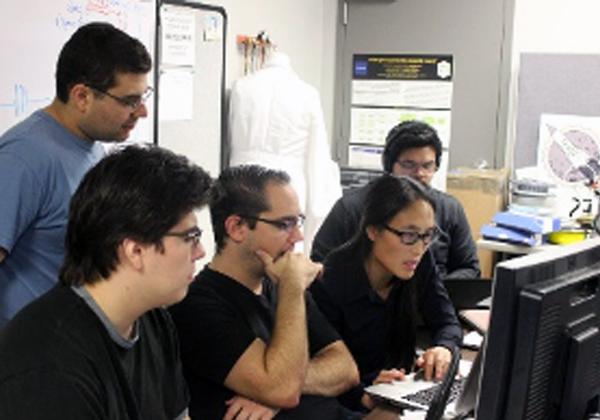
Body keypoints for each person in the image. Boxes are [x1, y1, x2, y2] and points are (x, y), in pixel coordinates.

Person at [0, 146, 212, 419]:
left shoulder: (153, 320)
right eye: (190, 237)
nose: (200, 252)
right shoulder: (49, 365)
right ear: (135, 251)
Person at [169, 164, 360, 419]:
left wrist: (276, 392)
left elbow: (345, 369)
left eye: (298, 222)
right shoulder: (197, 304)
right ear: (236, 227)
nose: (298, 236)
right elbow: (283, 389)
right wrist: (280, 388)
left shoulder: (280, 281)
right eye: (284, 224)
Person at [0, 22, 152, 327]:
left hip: (72, 343)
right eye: (129, 101)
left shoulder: (92, 145)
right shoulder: (22, 157)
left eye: (143, 96)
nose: (142, 112)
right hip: (29, 355)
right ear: (82, 96)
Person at [310, 175, 462, 412]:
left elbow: (447, 322)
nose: (419, 249)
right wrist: (365, 388)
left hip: (401, 393)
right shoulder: (330, 281)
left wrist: (444, 347)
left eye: (427, 236)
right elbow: (321, 369)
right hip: (348, 407)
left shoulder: (418, 262)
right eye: (409, 235)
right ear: (373, 230)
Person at [311, 120, 480, 280]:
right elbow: (320, 265)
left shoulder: (449, 208)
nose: (419, 174)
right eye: (409, 165)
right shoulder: (352, 208)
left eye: (427, 166)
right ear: (389, 165)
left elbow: (469, 268)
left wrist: (435, 292)